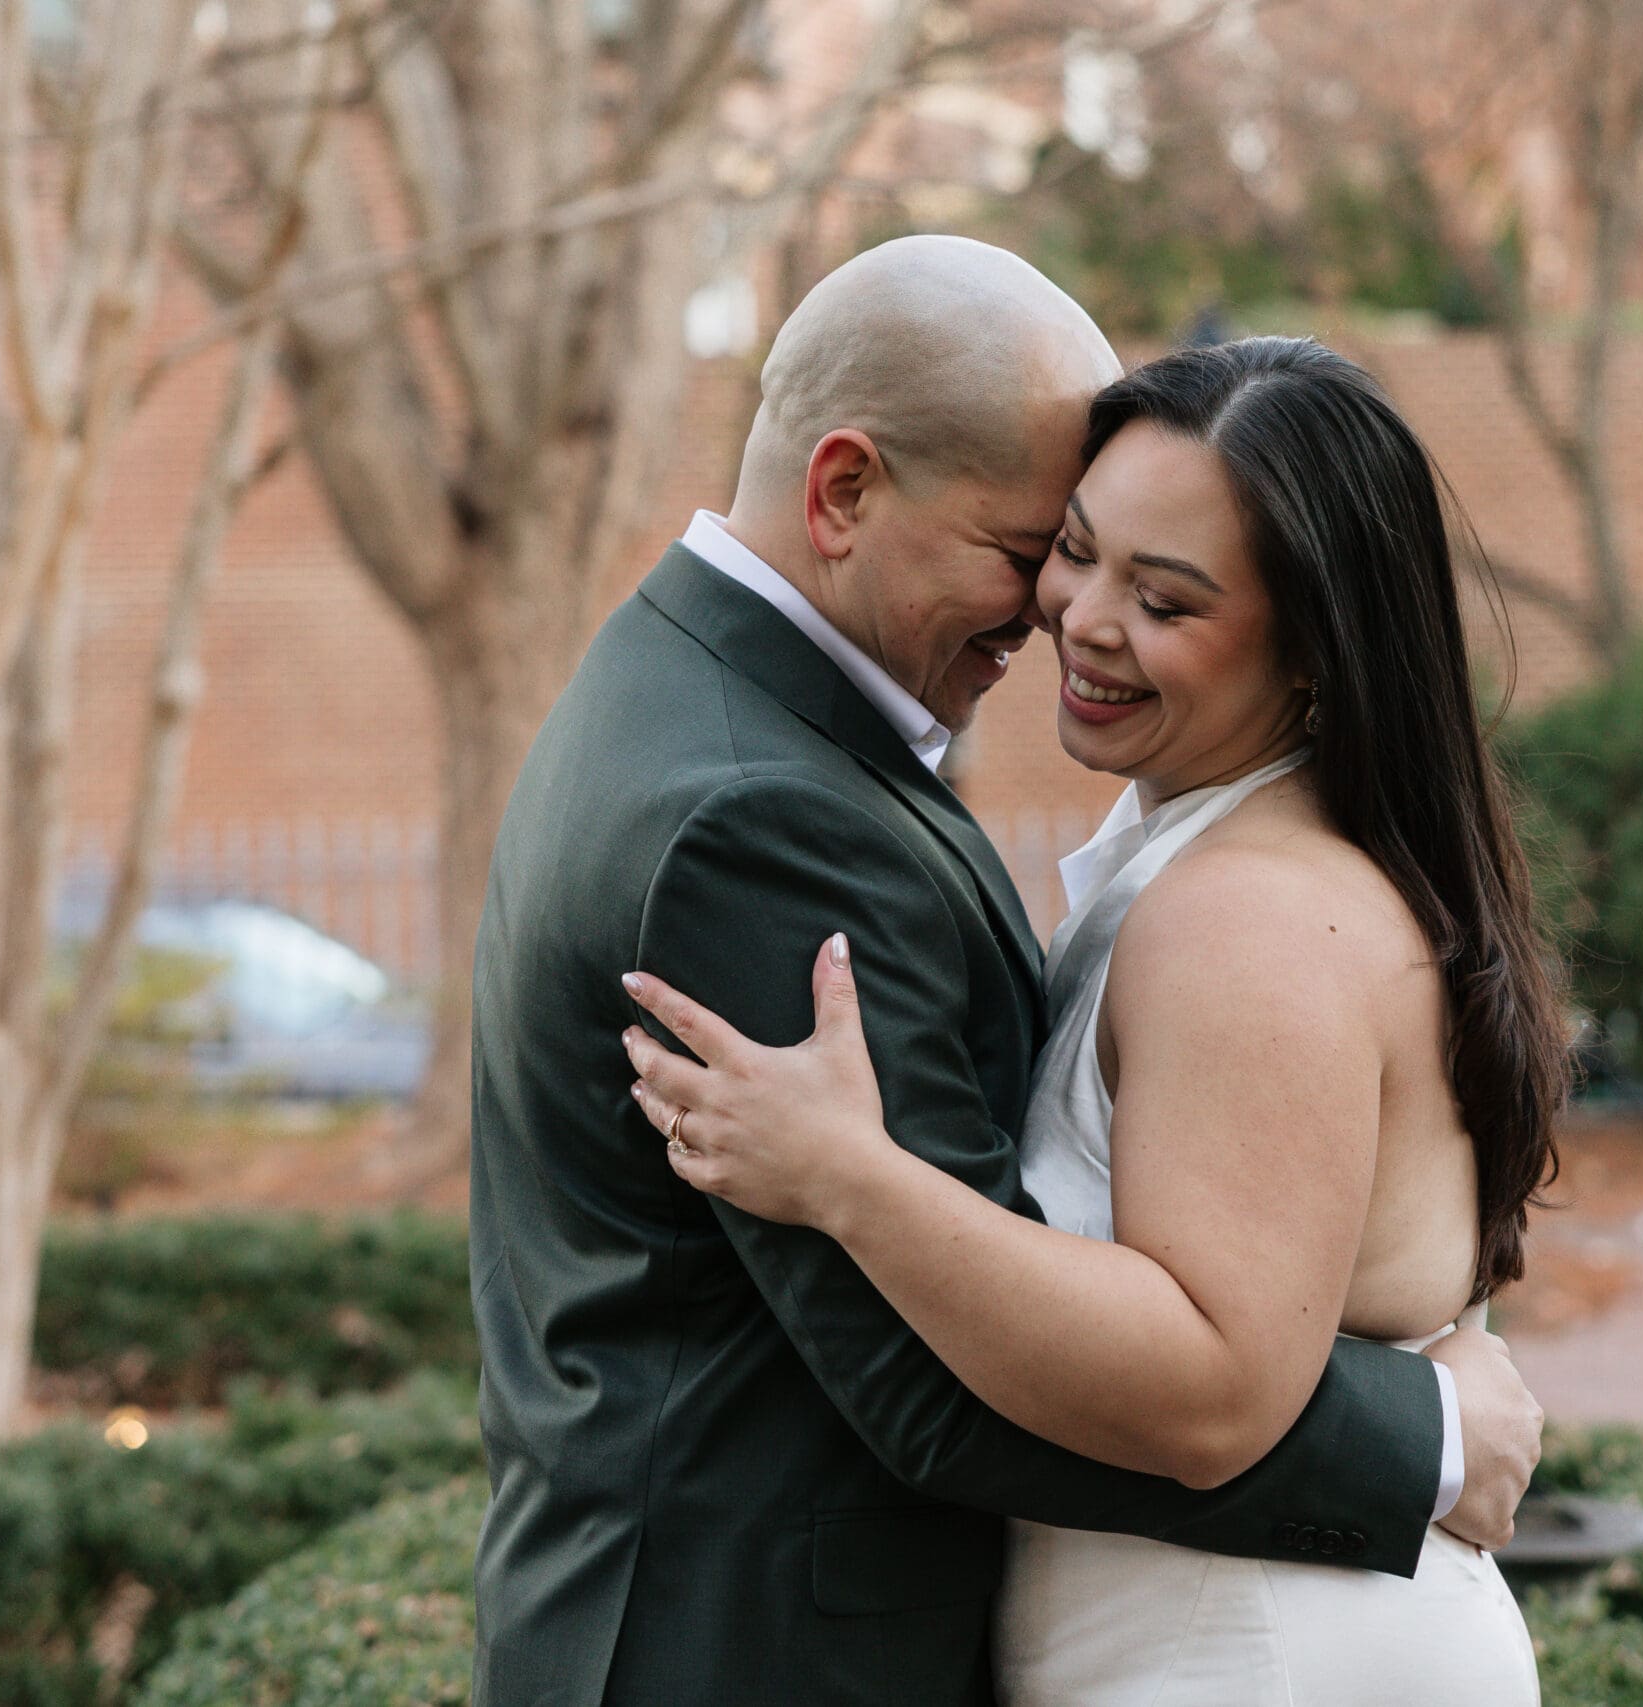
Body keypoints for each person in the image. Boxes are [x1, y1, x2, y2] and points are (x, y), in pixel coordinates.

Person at [470, 240, 1544, 1707]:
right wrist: (1419, 1441)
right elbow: (928, 1380)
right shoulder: (757, 811)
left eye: (1155, 593)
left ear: (1308, 653)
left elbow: (1165, 1349)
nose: (1059, 611)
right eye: (1048, 548)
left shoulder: (703, 707)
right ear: (843, 490)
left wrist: (855, 1177)